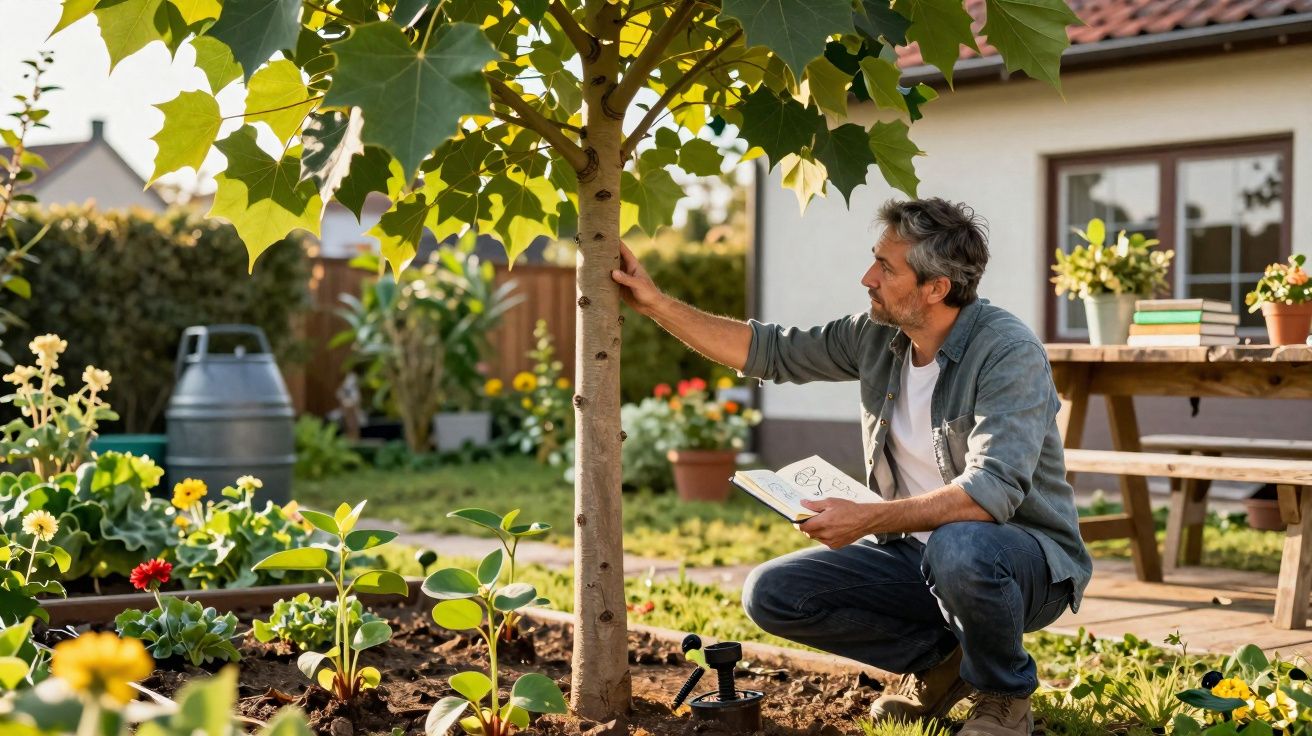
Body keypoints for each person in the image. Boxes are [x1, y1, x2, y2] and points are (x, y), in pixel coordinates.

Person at [610, 198, 1092, 736]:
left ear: (936, 288)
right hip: (918, 555)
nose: (868, 278)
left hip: (1022, 562)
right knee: (773, 594)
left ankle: (1004, 694)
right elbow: (769, 351)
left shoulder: (1007, 352)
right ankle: (942, 665)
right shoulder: (877, 336)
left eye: (887, 268)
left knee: (960, 545)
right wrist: (656, 304)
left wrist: (866, 517)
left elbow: (988, 494)